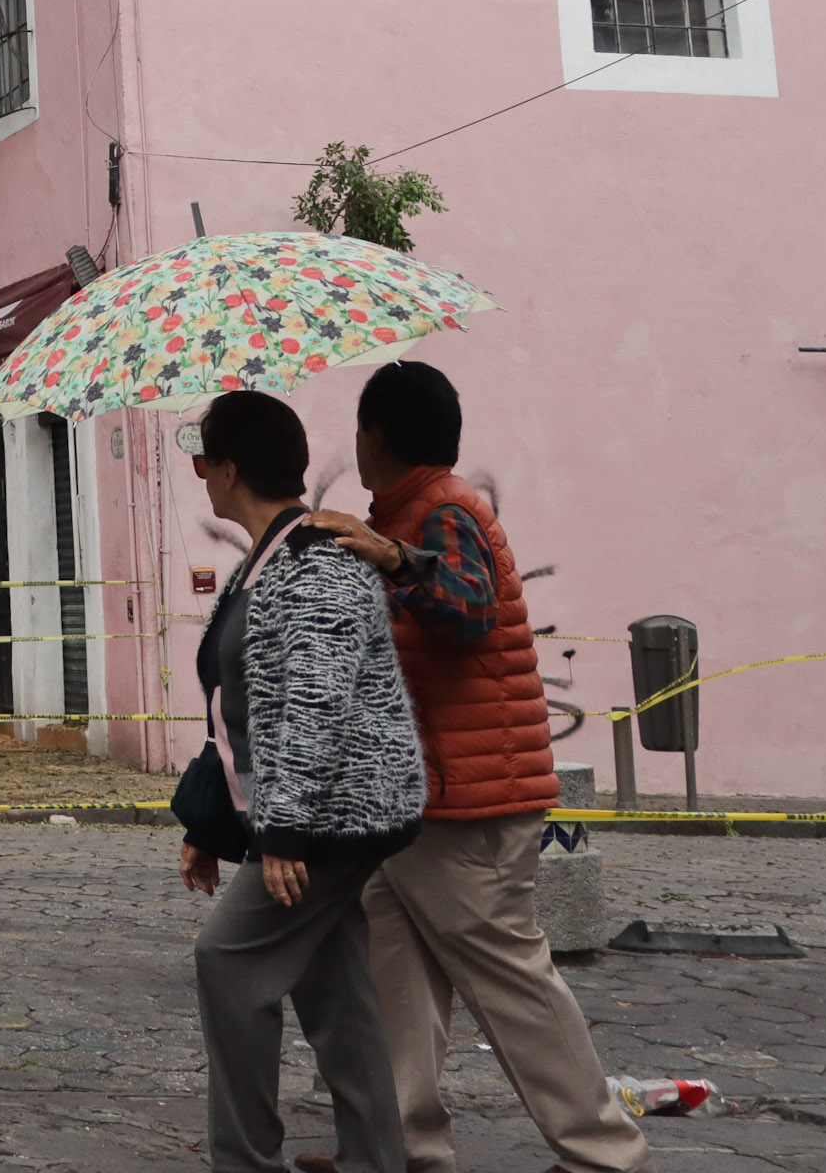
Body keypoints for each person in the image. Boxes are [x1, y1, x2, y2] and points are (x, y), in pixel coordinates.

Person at [300, 361, 651, 1173]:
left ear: (377, 434)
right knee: (396, 974)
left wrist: (391, 561)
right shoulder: (408, 515)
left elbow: (465, 611)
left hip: (470, 807)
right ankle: (398, 1149)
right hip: (422, 801)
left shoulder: (446, 511)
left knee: (511, 983)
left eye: (359, 427)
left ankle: (606, 1155)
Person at [181, 390, 428, 1173]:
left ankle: (246, 1160)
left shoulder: (314, 559)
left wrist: (282, 832)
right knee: (335, 986)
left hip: (330, 817)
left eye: (203, 457)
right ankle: (376, 1158)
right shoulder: (262, 559)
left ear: (227, 470)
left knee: (226, 961)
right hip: (306, 813)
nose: (197, 473)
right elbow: (241, 709)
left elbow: (312, 707)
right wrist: (212, 825)